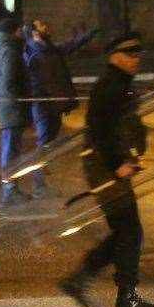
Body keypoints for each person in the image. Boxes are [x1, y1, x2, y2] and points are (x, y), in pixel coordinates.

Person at [61, 31, 154, 307]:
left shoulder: (121, 84)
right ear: (114, 56)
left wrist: (135, 152)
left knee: (125, 231)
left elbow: (127, 125)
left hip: (111, 166)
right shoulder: (109, 86)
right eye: (130, 55)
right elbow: (101, 130)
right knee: (130, 230)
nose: (135, 60)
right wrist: (118, 163)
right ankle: (125, 298)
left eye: (137, 55)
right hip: (104, 168)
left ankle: (80, 280)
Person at [23, 19, 98, 197]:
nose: (46, 27)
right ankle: (39, 184)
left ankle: (42, 175)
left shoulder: (49, 48)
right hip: (43, 104)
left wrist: (85, 37)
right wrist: (47, 98)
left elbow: (69, 46)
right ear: (34, 32)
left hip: (55, 103)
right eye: (42, 25)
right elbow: (37, 81)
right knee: (43, 143)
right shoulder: (33, 53)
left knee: (49, 142)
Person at [0, 16, 33, 205]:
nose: (22, 32)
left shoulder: (8, 50)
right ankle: (10, 190)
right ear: (13, 32)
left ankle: (12, 188)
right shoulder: (10, 52)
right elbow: (10, 82)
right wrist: (23, 94)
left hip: (11, 108)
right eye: (19, 29)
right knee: (10, 151)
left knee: (13, 150)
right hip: (11, 109)